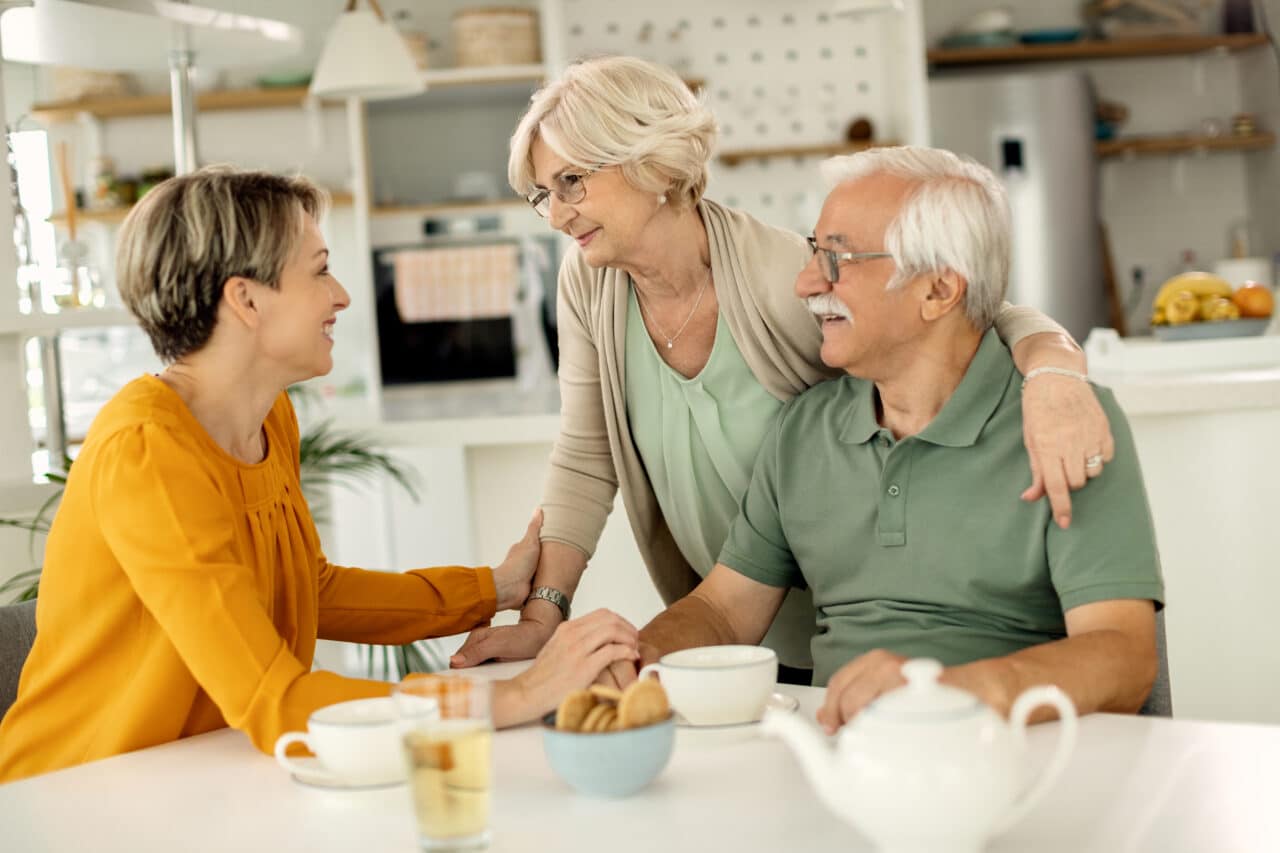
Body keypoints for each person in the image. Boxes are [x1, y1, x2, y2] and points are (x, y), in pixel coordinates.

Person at [451, 56, 1117, 685]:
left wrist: (1056, 371)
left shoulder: (778, 276)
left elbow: (964, 309)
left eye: (573, 180)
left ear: (650, 163)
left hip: (846, 633)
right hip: (717, 625)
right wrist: (543, 616)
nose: (558, 213)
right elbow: (586, 453)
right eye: (544, 193)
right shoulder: (589, 282)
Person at [0, 168, 639, 783]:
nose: (341, 295)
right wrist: (517, 695)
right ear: (245, 300)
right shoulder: (148, 452)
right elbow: (273, 699)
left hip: (194, 775)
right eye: (320, 270)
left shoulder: (269, 417)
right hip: (76, 794)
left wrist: (491, 590)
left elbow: (312, 588)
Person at [631, 146, 1164, 729]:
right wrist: (632, 658)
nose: (807, 283)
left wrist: (940, 695)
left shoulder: (1064, 423)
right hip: (840, 760)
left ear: (938, 290)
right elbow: (724, 612)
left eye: (838, 258)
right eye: (814, 253)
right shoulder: (803, 429)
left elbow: (1123, 658)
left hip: (1012, 759)